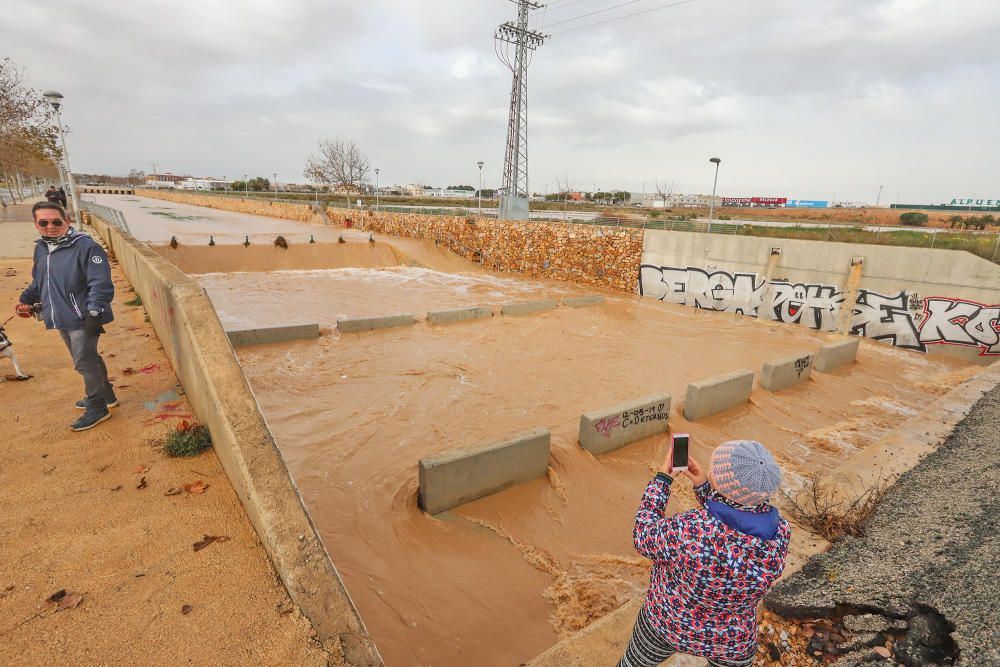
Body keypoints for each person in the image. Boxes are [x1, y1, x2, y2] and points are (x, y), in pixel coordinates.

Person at [618, 439, 790, 667]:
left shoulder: (690, 529)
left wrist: (662, 481)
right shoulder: (780, 533)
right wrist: (702, 486)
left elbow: (643, 536)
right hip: (732, 638)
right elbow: (735, 520)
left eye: (714, 470)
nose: (710, 471)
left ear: (720, 482)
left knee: (633, 664)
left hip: (668, 621)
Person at [15, 201, 117, 431]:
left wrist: (94, 312)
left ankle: (97, 406)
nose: (50, 226)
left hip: (83, 316)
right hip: (59, 314)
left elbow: (100, 283)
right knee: (89, 358)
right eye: (44, 222)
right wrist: (26, 299)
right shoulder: (41, 248)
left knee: (83, 361)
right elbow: (40, 280)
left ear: (67, 221)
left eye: (56, 222)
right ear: (36, 224)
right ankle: (107, 396)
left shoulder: (86, 247)